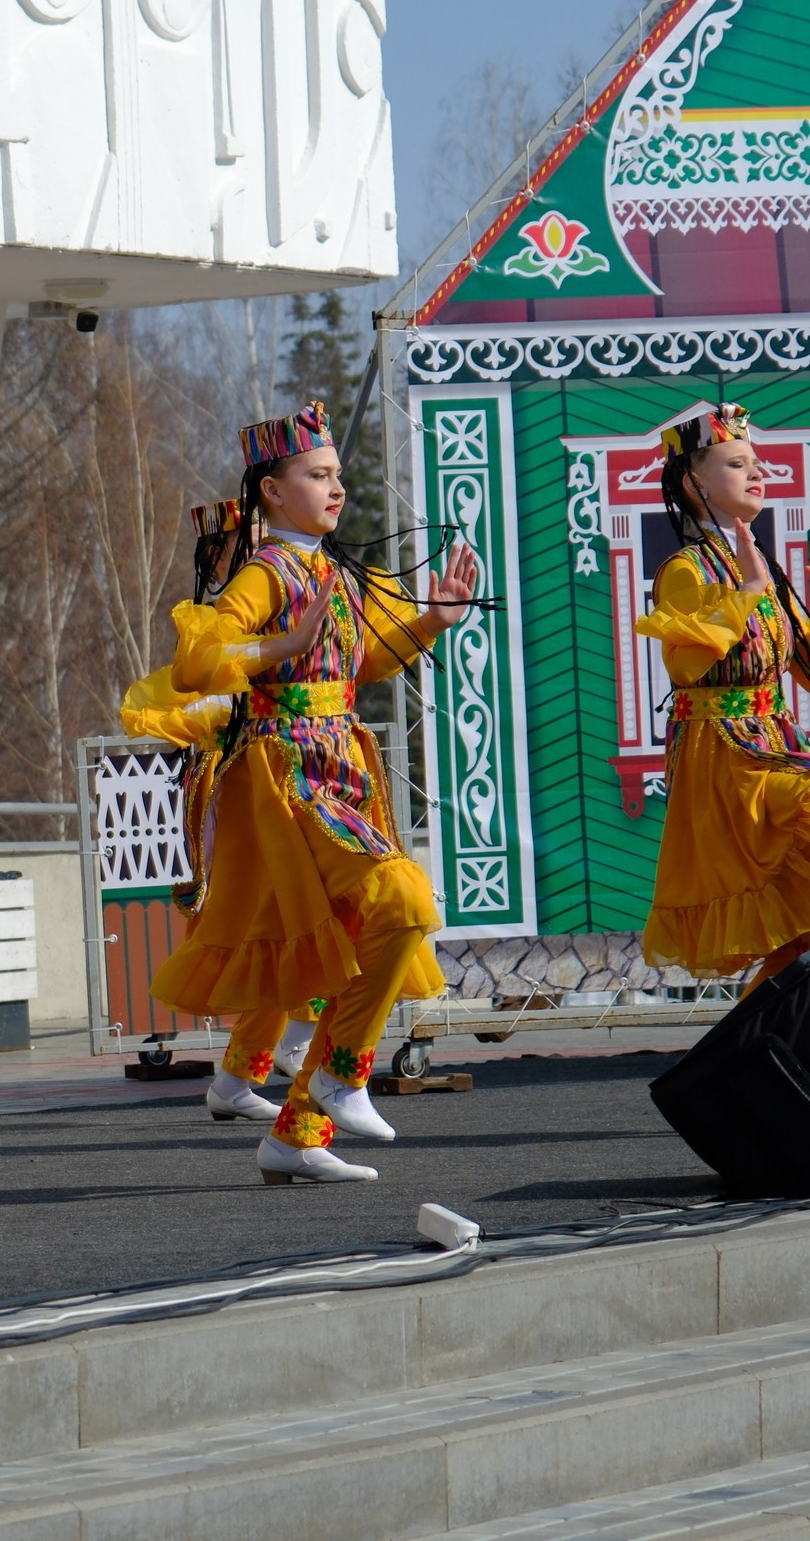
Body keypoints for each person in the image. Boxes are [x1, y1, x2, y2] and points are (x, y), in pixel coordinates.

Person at [155, 402, 481, 1185]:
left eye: (338, 475)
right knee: (400, 900)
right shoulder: (266, 573)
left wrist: (431, 623)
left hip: (338, 768)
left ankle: (300, 1126)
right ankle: (335, 1074)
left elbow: (354, 662)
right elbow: (196, 663)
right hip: (288, 775)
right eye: (317, 474)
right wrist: (279, 642)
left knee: (356, 930)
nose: (337, 488)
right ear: (272, 490)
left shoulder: (328, 571)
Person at [636, 401, 810, 986]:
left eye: (756, 462)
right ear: (694, 483)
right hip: (723, 759)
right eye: (737, 464)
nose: (757, 473)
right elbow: (686, 667)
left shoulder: (761, 567)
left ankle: (790, 991)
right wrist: (749, 591)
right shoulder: (685, 570)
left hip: (774, 743)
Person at [120, 497, 317, 1125]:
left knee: (294, 923)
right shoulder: (215, 625)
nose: (258, 551)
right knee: (285, 922)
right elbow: (169, 705)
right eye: (243, 543)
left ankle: (244, 1073)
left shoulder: (289, 601)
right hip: (241, 789)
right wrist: (233, 708)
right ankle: (285, 1049)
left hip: (286, 777)